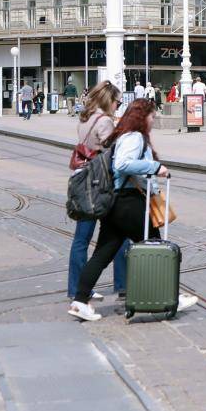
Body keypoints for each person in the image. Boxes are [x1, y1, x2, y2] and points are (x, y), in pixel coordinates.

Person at [71, 97, 198, 322]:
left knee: (103, 254)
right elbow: (122, 163)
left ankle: (80, 301)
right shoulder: (134, 137)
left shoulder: (123, 135)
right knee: (157, 247)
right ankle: (171, 297)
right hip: (129, 203)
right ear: (142, 117)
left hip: (117, 204)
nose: (153, 121)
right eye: (152, 117)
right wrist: (155, 167)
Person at [68, 81, 129, 303]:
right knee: (120, 234)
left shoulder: (85, 118)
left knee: (81, 240)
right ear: (108, 100)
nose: (118, 105)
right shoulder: (104, 121)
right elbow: (112, 152)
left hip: (82, 180)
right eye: (117, 101)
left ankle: (76, 288)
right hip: (100, 184)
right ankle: (123, 285)